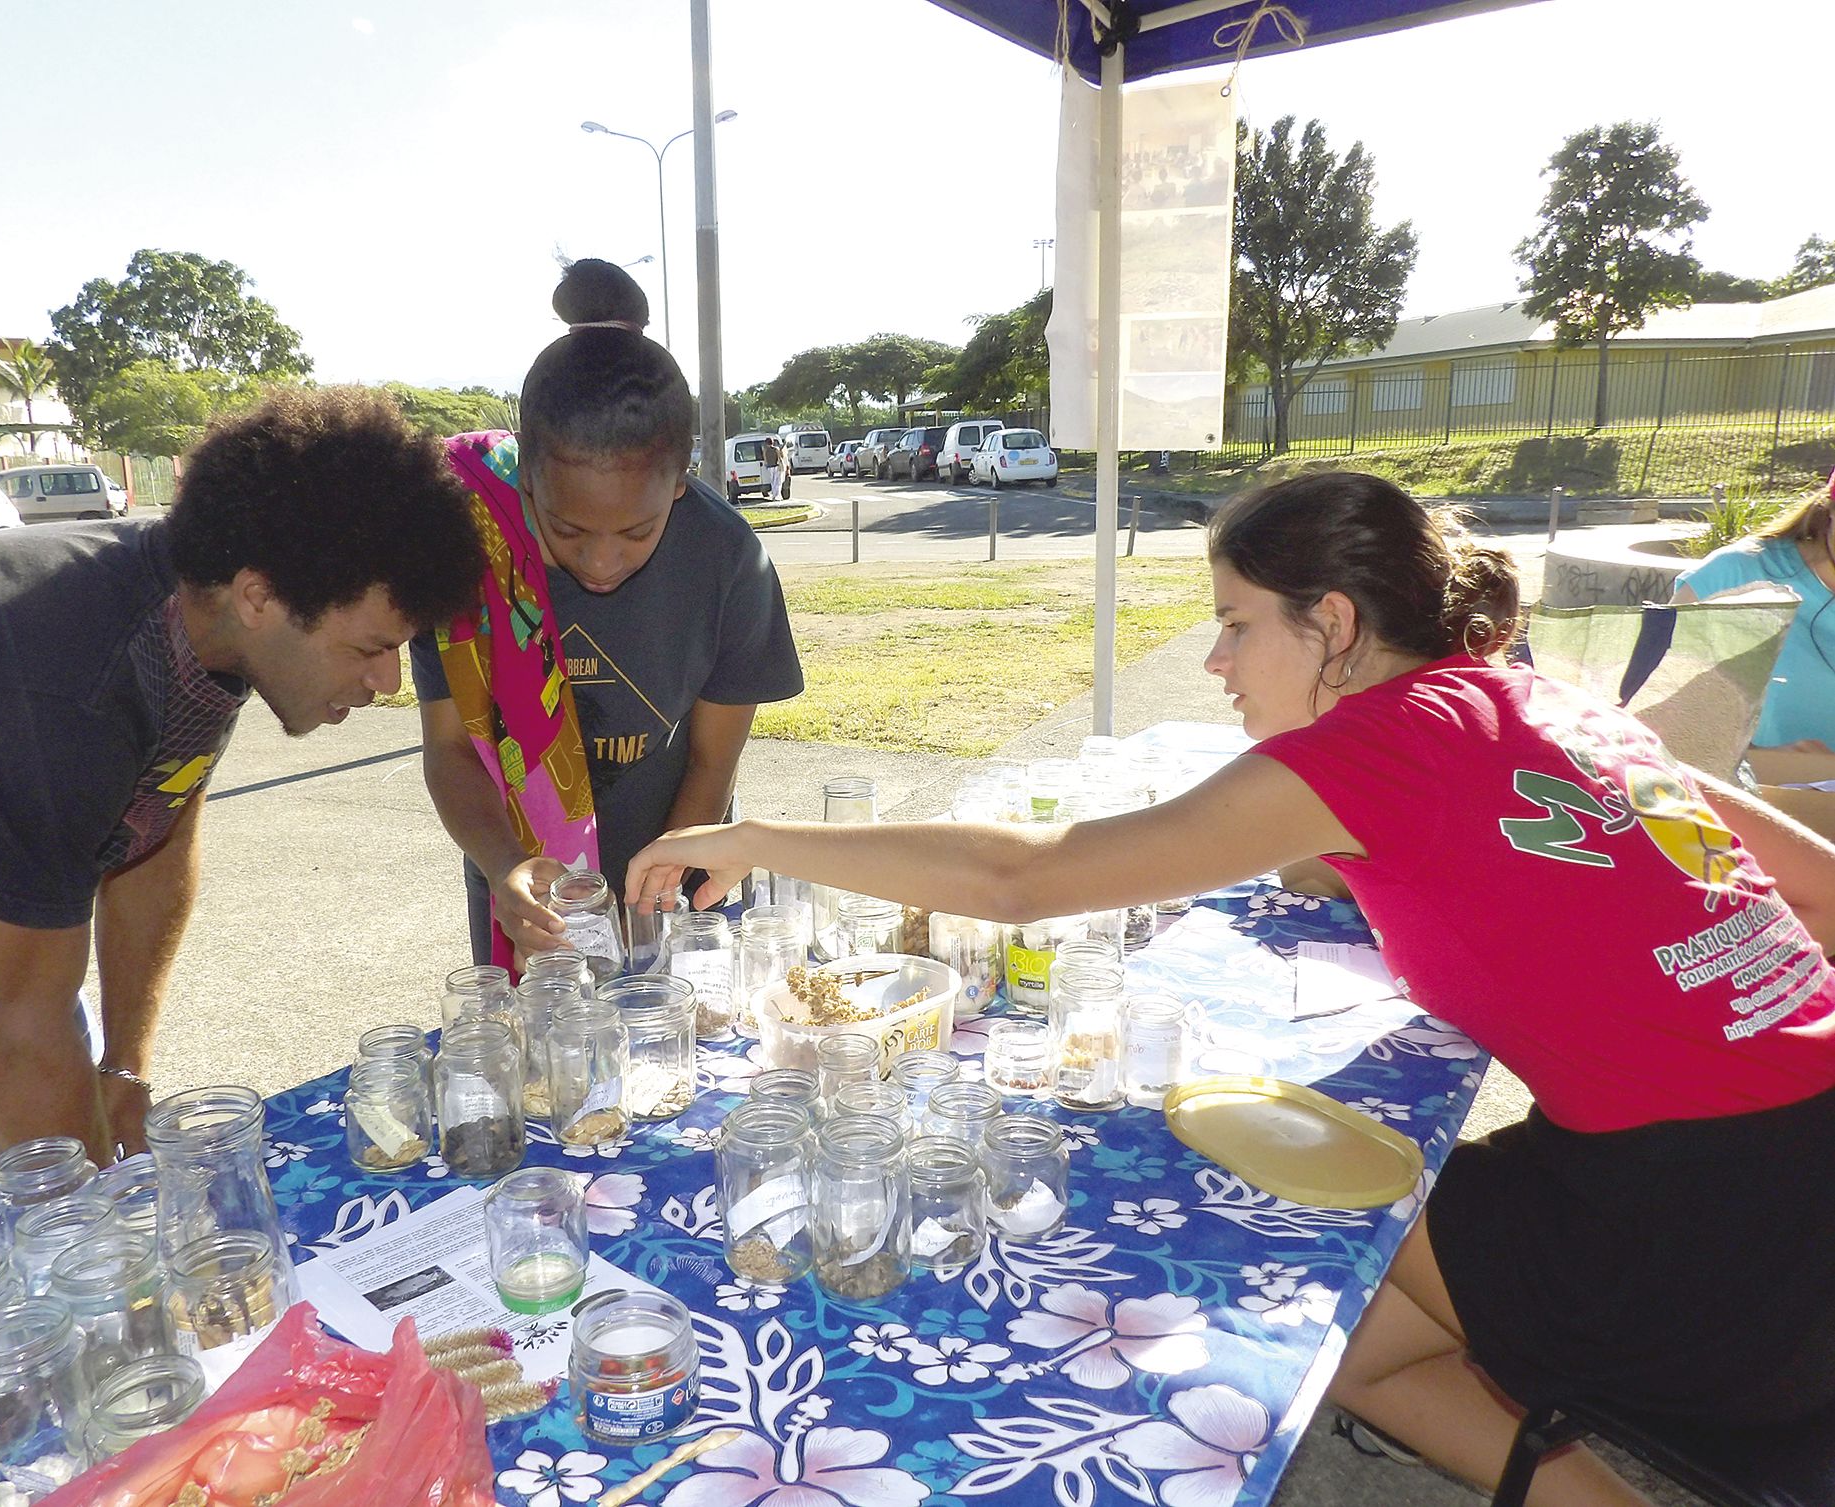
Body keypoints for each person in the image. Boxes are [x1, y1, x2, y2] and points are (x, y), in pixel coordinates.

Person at [627, 472, 1835, 1506]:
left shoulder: (1376, 745)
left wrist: (754, 836)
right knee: (1354, 1348)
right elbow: (1819, 892)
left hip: (1707, 1223)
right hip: (1788, 1163)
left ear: (1334, 622)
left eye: (1233, 624)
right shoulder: (1543, 700)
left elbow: (1020, 875)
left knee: (1245, 1186)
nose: (1212, 661)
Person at [0, 387, 484, 1210]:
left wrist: (122, 1066)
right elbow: (19, 1046)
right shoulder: (61, 684)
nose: (387, 678)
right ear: (258, 596)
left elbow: (155, 839)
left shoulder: (204, 623)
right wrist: (115, 1252)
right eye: (371, 648)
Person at [410, 259, 802, 974]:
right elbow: (450, 748)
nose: (598, 561)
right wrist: (505, 866)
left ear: (680, 484)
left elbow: (714, 756)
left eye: (634, 534)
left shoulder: (725, 557)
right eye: (565, 529)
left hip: (680, 883)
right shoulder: (467, 554)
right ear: (526, 472)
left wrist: (661, 886)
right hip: (526, 891)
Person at [1673, 470, 1835, 774]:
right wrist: (1764, 763)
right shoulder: (1733, 576)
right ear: (1829, 508)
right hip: (1748, 811)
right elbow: (1650, 726)